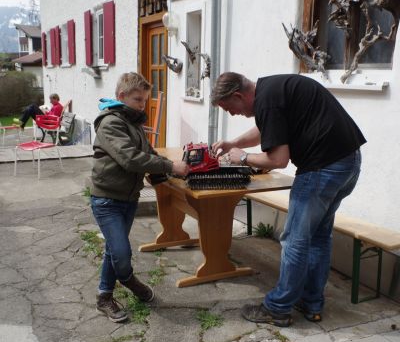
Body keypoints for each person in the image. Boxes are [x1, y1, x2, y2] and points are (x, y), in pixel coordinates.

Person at [211, 72, 366, 327]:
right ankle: (311, 303)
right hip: (347, 164)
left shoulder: (268, 101)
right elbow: (269, 129)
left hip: (322, 169)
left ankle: (277, 308)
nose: (232, 114)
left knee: (294, 239)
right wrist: (234, 142)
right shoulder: (273, 89)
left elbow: (277, 161)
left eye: (230, 108)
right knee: (317, 237)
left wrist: (242, 157)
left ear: (239, 95)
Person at [90, 72, 189, 323]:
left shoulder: (132, 121)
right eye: (138, 100)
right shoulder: (111, 122)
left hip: (129, 198)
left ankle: (104, 297)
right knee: (121, 253)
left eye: (145, 100)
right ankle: (129, 281)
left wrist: (169, 173)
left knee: (114, 249)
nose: (142, 105)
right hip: (107, 200)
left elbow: (147, 151)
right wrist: (169, 166)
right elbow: (130, 158)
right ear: (121, 96)